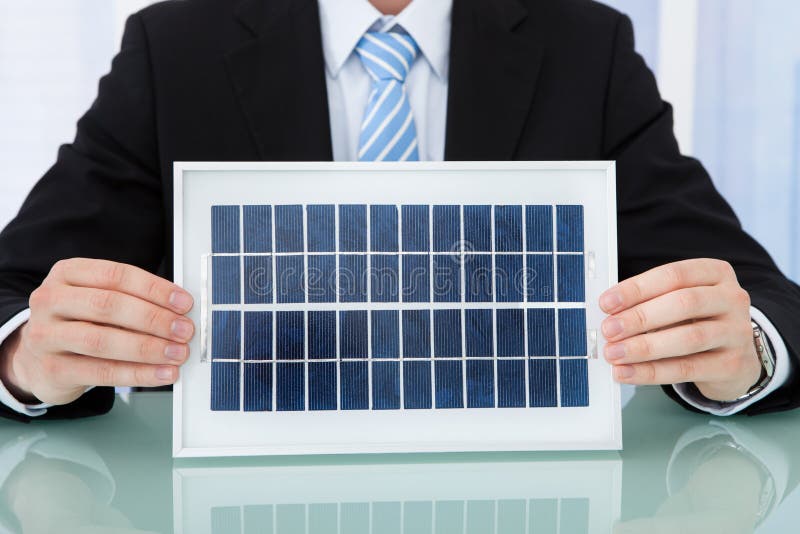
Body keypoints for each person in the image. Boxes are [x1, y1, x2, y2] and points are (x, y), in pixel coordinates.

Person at [0, 0, 798, 422]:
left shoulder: (586, 46)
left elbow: (761, 302)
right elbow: (14, 290)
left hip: (526, 496)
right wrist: (29, 358)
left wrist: (744, 351)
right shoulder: (172, 47)